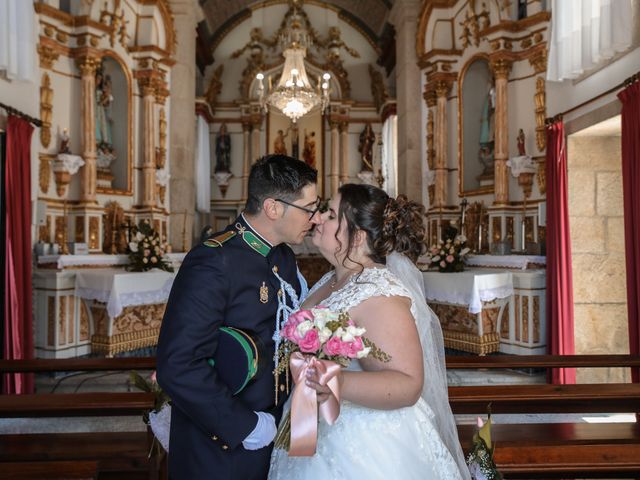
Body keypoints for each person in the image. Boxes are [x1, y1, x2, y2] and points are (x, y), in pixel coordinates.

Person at [269, 184, 470, 479]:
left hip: (366, 445)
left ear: (358, 236)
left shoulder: (379, 293)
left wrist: (334, 381)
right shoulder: (331, 279)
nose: (318, 218)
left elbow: (408, 383)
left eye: (332, 215)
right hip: (312, 426)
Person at [157, 154, 322, 480]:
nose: (315, 219)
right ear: (274, 208)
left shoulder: (284, 256)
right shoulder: (213, 261)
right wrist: (244, 425)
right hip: (220, 448)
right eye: (309, 208)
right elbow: (178, 364)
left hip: (273, 433)